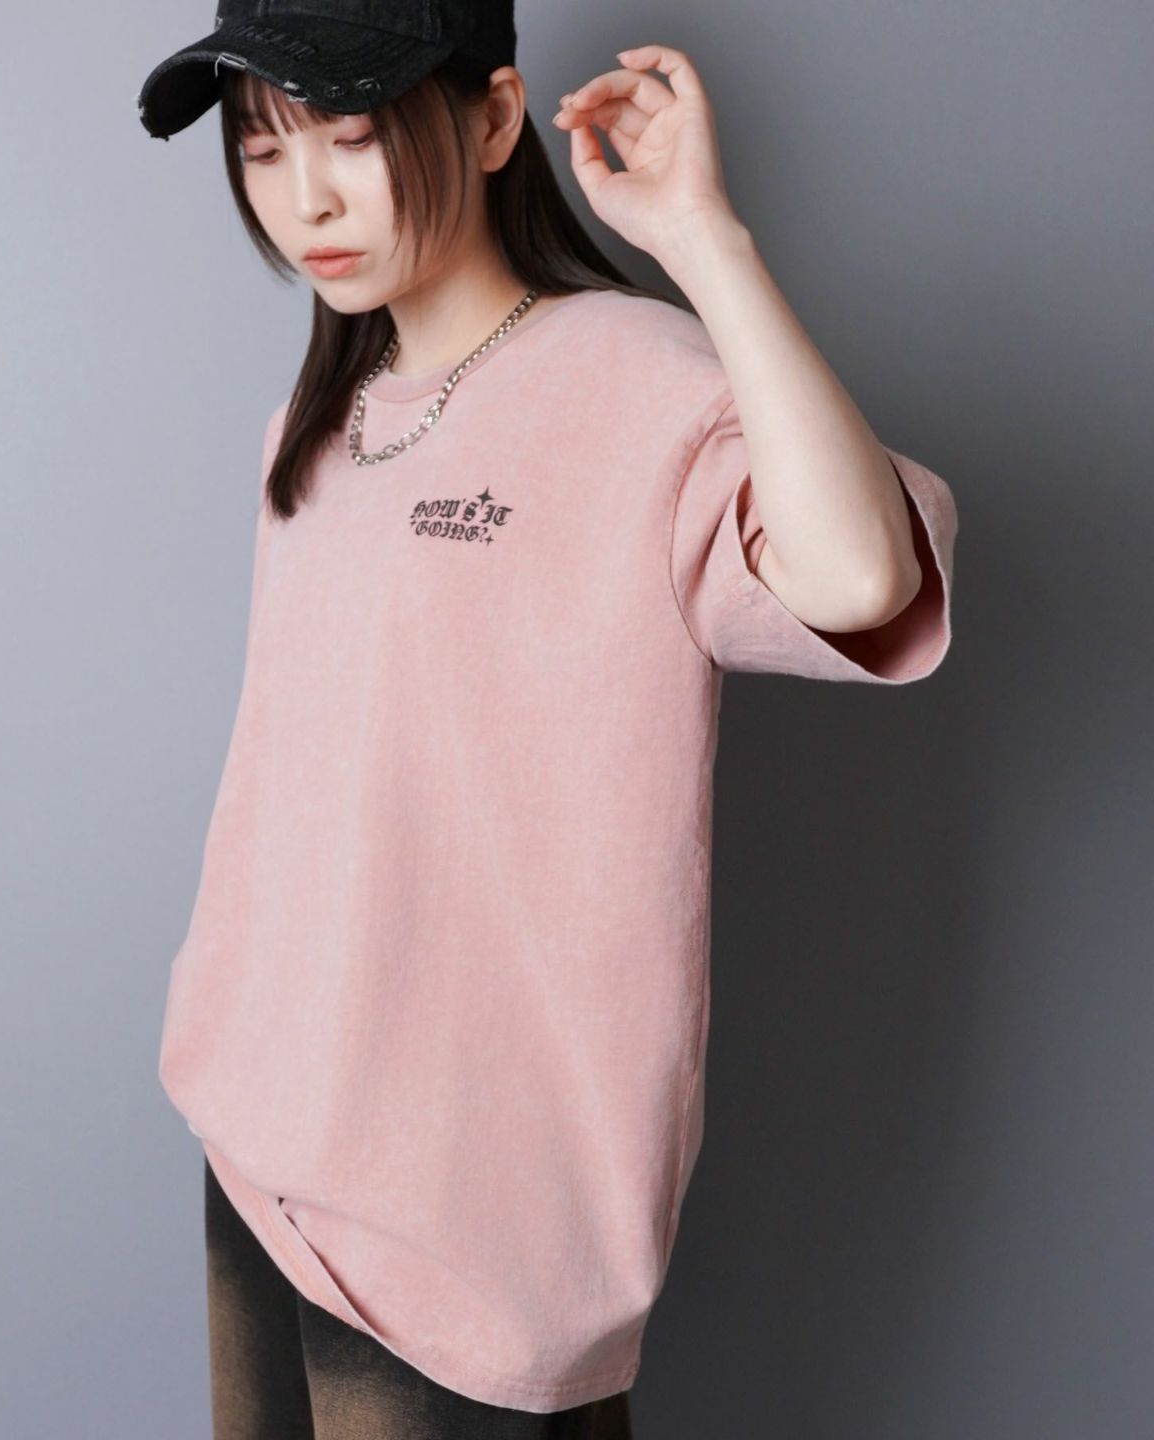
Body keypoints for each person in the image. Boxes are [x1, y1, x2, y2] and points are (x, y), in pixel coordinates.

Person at [136, 3, 959, 1435]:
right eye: (263, 149)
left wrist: (702, 241)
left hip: (471, 1219)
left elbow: (859, 576)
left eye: (351, 137)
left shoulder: (637, 381)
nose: (304, 200)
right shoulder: (315, 429)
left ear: (496, 119)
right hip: (258, 1145)